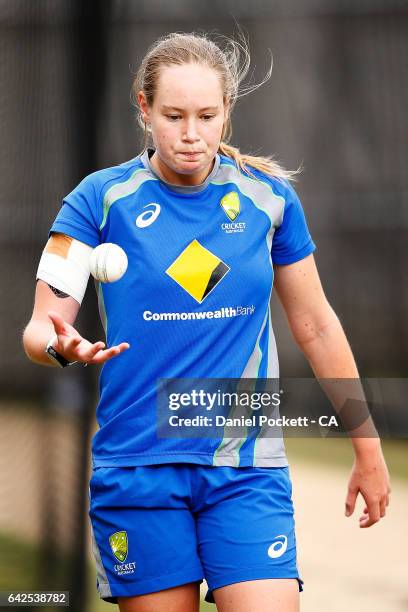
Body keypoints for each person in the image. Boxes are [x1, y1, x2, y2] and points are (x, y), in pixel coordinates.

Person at [23, 31, 391, 612]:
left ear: (227, 113)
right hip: (138, 465)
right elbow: (41, 329)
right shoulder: (97, 200)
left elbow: (317, 325)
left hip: (246, 468)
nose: (190, 134)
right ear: (143, 110)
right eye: (172, 116)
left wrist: (367, 448)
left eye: (206, 115)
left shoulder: (268, 200)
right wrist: (64, 347)